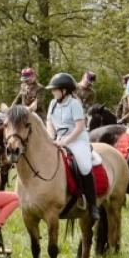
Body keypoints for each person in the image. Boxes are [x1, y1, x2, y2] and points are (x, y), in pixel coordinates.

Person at [46, 72, 99, 221]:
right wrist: (51, 137)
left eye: (55, 89)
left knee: (84, 166)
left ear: (65, 90)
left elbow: (79, 127)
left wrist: (65, 141)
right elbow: (49, 121)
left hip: (77, 139)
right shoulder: (53, 103)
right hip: (58, 139)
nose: (52, 91)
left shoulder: (75, 104)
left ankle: (93, 205)